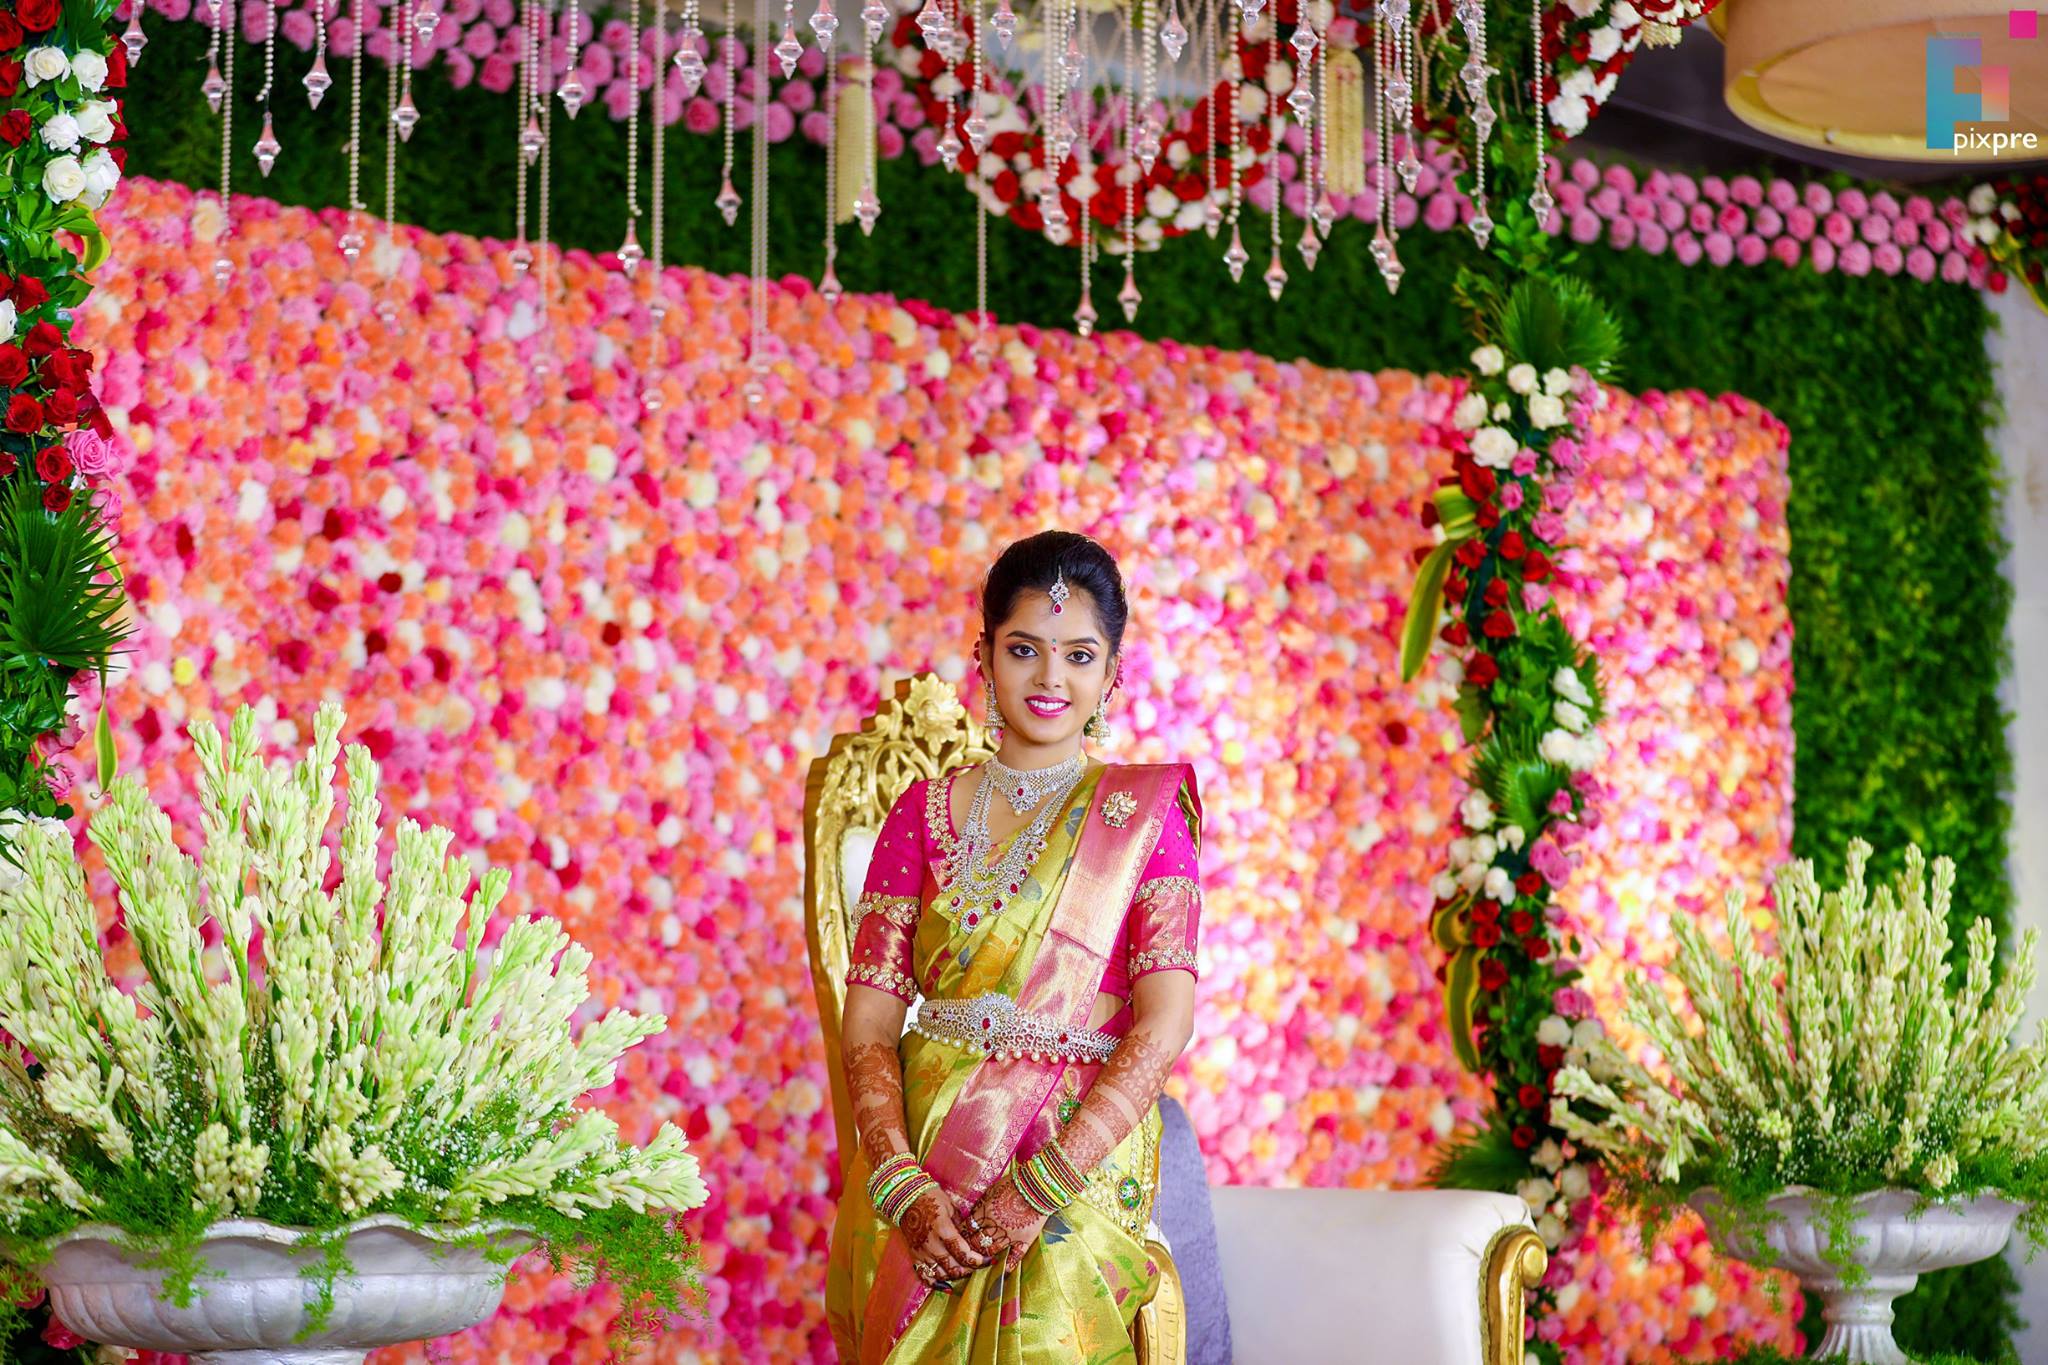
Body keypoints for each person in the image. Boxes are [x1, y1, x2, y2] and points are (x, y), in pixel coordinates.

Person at [825, 529, 1204, 1364]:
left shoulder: (1143, 817)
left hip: (1075, 1148)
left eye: (1079, 654)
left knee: (1047, 1301)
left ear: (1111, 673)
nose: (1050, 678)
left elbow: (1163, 1025)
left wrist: (1040, 1188)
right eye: (1025, 649)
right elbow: (869, 1028)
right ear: (985, 655)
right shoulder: (918, 815)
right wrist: (901, 1184)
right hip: (922, 1146)